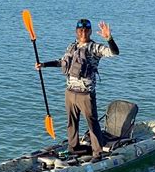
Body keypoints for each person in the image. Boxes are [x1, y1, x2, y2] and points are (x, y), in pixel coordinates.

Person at [35, 19, 119, 162]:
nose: (83, 33)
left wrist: (109, 38)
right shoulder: (72, 46)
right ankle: (74, 148)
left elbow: (114, 52)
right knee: (71, 123)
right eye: (80, 30)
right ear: (76, 31)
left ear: (90, 31)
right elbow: (62, 62)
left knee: (92, 123)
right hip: (70, 92)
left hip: (85, 94)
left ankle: (97, 153)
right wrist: (44, 65)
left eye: (86, 30)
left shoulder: (94, 48)